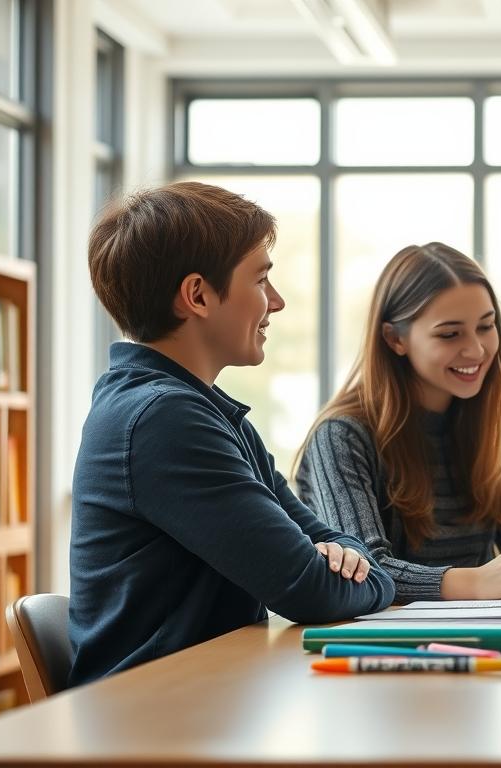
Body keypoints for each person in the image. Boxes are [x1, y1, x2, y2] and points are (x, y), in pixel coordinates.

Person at [70, 182, 395, 686]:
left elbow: (328, 541)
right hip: (152, 726)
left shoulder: (203, 412)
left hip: (202, 704)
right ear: (198, 295)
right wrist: (369, 574)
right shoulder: (163, 419)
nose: (277, 302)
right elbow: (311, 589)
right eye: (262, 280)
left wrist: (356, 563)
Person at [295, 243, 501, 601]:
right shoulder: (341, 436)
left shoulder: (474, 426)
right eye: (450, 334)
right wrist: (475, 582)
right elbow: (362, 570)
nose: (477, 350)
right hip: (380, 651)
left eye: (486, 326)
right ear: (395, 338)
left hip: (483, 643)